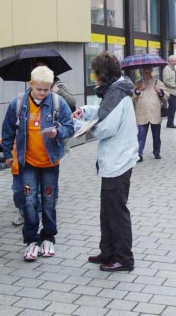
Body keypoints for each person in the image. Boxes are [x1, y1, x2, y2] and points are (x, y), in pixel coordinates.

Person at [73, 51, 138, 272]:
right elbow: (104, 112)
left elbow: (106, 127)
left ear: (103, 74)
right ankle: (108, 251)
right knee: (107, 211)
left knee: (116, 212)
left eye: (95, 73)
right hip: (116, 160)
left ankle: (124, 259)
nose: (94, 77)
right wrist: (84, 112)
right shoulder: (116, 90)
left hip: (117, 162)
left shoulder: (117, 93)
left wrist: (83, 128)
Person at [1, 66, 74, 262]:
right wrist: (7, 154)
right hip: (28, 163)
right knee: (29, 201)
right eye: (39, 89)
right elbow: (8, 131)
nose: (42, 93)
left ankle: (48, 237)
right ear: (31, 84)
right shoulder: (18, 104)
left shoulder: (58, 103)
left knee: (49, 202)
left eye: (46, 89)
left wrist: (57, 132)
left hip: (50, 162)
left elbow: (70, 127)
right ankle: (31, 240)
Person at [133, 66, 169, 161]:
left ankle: (157, 152)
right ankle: (139, 154)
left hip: (155, 113)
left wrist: (160, 91)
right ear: (141, 73)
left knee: (156, 135)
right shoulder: (138, 83)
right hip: (142, 113)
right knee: (141, 135)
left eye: (148, 72)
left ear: (151, 72)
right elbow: (132, 96)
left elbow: (167, 95)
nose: (147, 74)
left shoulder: (157, 82)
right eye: (145, 72)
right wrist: (139, 90)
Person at [162, 55, 176, 128]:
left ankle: (170, 122)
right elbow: (166, 81)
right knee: (172, 108)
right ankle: (170, 123)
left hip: (174, 92)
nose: (174, 62)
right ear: (169, 61)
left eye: (175, 61)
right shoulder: (167, 69)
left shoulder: (172, 69)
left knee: (173, 108)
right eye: (173, 61)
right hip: (170, 92)